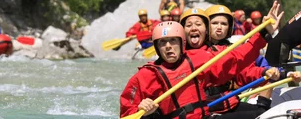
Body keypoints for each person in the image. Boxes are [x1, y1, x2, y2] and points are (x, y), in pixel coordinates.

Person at [119, 11, 282, 119]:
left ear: (182, 43)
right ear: (156, 47)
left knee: (263, 115)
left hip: (206, 116)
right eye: (162, 43)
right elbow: (127, 112)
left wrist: (263, 33)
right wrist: (142, 111)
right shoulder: (145, 76)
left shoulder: (197, 60)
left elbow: (235, 59)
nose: (168, 46)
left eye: (172, 41)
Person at [203, 4, 301, 116]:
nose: (219, 27)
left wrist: (283, 74)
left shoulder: (230, 49)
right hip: (209, 105)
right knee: (261, 113)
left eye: (224, 24)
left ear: (229, 27)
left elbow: (246, 72)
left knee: (264, 113)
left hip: (226, 102)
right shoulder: (201, 50)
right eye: (214, 23)